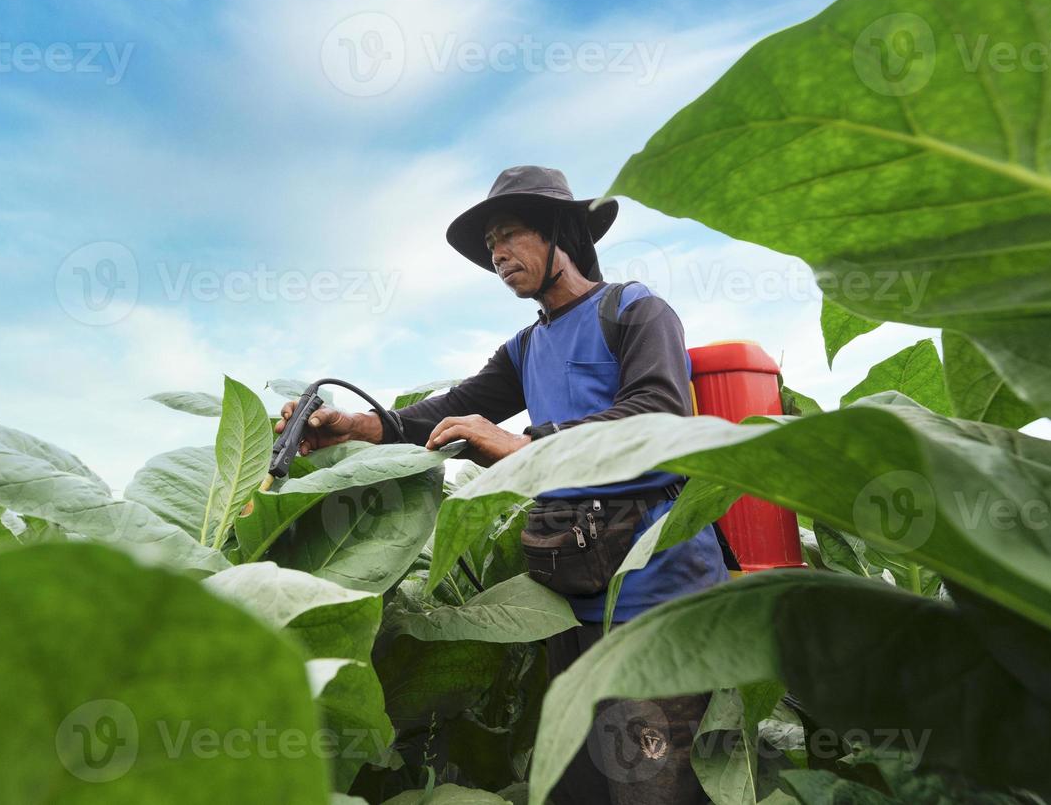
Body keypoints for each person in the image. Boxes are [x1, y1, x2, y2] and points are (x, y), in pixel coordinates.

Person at [275, 165, 728, 804]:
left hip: (656, 597)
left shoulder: (633, 310)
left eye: (509, 235)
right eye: (490, 246)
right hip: (570, 596)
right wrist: (350, 426)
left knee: (654, 787)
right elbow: (443, 411)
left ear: (560, 233)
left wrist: (525, 445)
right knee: (581, 786)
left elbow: (656, 413)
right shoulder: (525, 346)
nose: (497, 255)